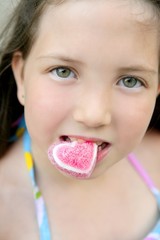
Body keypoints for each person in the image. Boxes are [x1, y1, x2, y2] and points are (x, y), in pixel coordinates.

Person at [0, 0, 160, 239]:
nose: (93, 115)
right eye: (63, 71)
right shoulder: (7, 215)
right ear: (22, 76)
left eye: (130, 81)